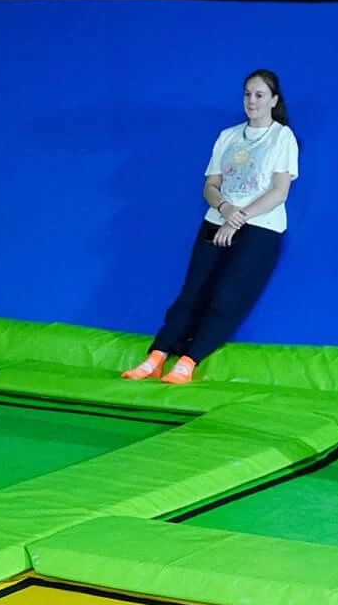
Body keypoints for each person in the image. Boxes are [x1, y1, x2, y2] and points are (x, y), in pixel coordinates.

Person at [121, 70, 299, 385]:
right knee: (192, 292)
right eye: (247, 94)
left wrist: (239, 216)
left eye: (259, 95)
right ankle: (157, 355)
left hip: (260, 227)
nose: (252, 101)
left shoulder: (281, 137)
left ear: (273, 100)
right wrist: (224, 209)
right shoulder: (228, 136)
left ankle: (188, 360)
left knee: (228, 296)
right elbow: (211, 185)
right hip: (217, 220)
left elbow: (279, 191)